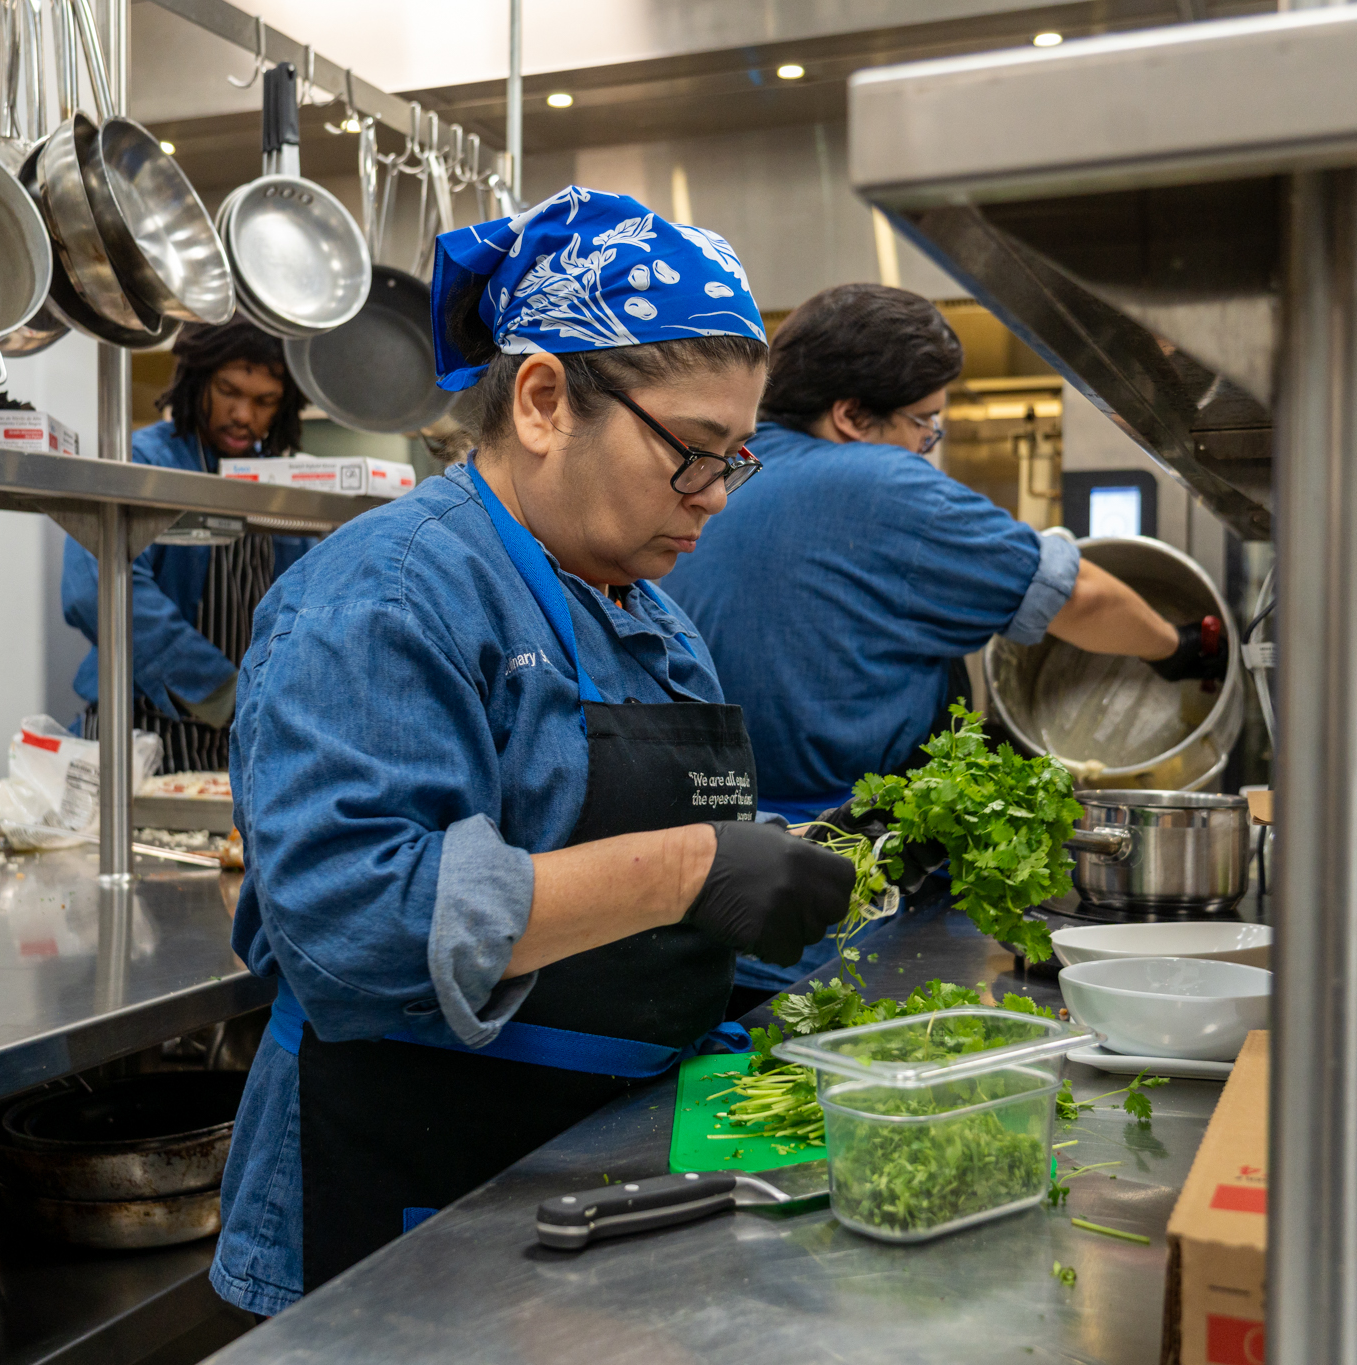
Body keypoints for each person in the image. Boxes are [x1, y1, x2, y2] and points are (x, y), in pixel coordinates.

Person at [208, 187, 853, 1318]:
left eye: (733, 461)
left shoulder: (648, 613)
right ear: (547, 399)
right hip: (414, 1199)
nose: (710, 499)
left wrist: (785, 933)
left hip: (601, 1174)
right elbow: (352, 928)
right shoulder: (393, 591)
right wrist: (689, 870)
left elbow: (679, 913)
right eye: (689, 453)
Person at [663, 283, 1226, 992]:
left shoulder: (720, 478)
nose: (927, 447)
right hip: (836, 915)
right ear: (851, 417)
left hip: (706, 901)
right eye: (925, 423)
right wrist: (1182, 649)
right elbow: (1078, 594)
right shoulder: (876, 482)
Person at [61, 321, 308, 771]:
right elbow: (93, 586)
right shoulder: (141, 461)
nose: (243, 415)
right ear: (197, 381)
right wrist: (216, 690)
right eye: (228, 391)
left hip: (246, 735)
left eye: (264, 401)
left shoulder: (283, 486)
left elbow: (305, 604)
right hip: (141, 731)